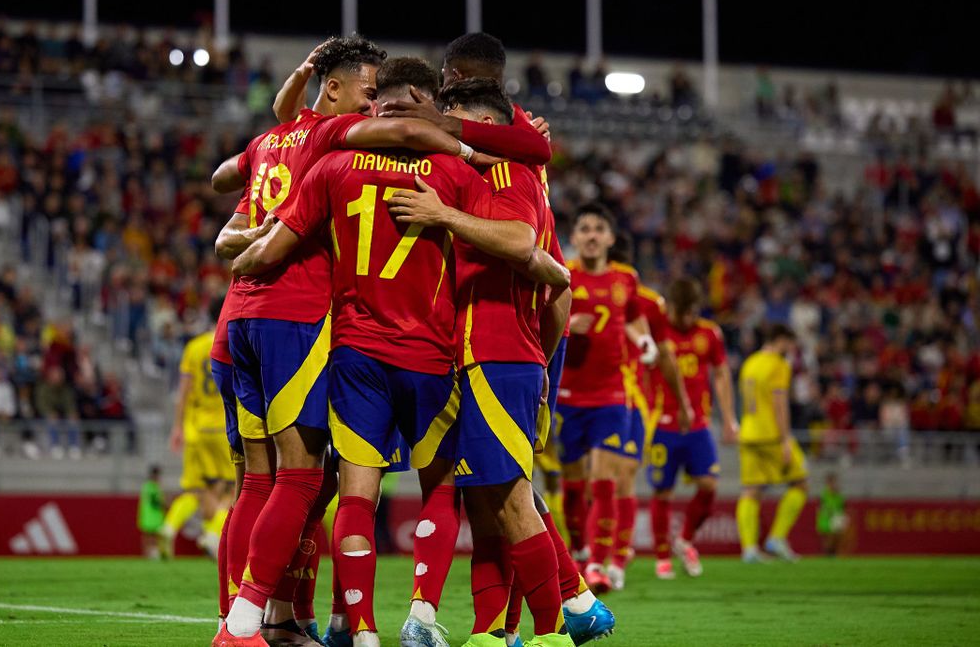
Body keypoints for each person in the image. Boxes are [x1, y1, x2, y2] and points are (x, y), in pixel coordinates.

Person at [234, 62, 575, 647]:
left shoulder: (330, 163)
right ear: (421, 96)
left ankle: (355, 628)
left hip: (353, 356)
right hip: (433, 355)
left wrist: (239, 257)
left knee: (350, 493)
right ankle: (429, 617)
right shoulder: (452, 169)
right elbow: (519, 233)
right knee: (444, 493)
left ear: (375, 104)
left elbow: (267, 247)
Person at [212, 36, 480, 647]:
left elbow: (221, 179)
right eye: (363, 91)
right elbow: (412, 140)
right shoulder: (337, 143)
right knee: (308, 480)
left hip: (245, 318)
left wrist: (241, 242)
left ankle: (289, 619)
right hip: (310, 321)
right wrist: (469, 144)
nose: (368, 107)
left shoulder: (279, 143)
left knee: (271, 482)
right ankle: (260, 622)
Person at [381, 78, 598, 647]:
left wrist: (441, 215)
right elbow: (559, 286)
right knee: (487, 505)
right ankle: (491, 632)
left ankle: (551, 631)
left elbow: (520, 239)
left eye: (453, 118)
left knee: (512, 501)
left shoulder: (508, 175)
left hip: (501, 357)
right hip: (486, 358)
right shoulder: (486, 179)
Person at [556, 202, 691, 594]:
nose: (592, 235)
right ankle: (581, 551)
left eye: (599, 228)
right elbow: (536, 319)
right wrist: (567, 323)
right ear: (576, 237)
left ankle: (600, 563)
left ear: (611, 238)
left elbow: (633, 318)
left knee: (607, 479)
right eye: (585, 228)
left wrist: (643, 339)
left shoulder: (626, 280)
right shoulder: (560, 274)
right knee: (573, 483)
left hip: (613, 396)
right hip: (567, 395)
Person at [647, 278, 738, 579]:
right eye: (681, 313)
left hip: (698, 424)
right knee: (662, 492)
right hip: (663, 424)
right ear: (670, 307)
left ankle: (684, 540)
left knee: (709, 485)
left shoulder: (709, 333)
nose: (686, 319)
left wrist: (728, 418)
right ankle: (662, 556)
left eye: (691, 312)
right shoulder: (657, 331)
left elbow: (722, 374)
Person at [164, 316, 234, 560]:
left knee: (203, 489)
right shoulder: (232, 341)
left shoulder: (193, 347)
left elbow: (183, 391)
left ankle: (171, 527)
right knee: (235, 489)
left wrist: (177, 427)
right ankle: (214, 535)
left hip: (196, 429)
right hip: (224, 428)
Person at [737, 324, 807, 563]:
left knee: (751, 490)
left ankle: (749, 550)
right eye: (789, 343)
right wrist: (786, 439)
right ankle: (776, 538)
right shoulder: (778, 365)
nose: (791, 348)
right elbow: (779, 403)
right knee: (800, 483)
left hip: (748, 432)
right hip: (771, 434)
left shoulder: (750, 363)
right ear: (780, 340)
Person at [139, 464, 167, 560]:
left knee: (155, 536)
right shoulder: (149, 486)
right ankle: (148, 554)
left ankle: (154, 553)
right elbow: (155, 501)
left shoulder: (155, 486)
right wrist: (164, 505)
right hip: (149, 514)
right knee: (149, 536)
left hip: (156, 515)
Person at [816, 473, 847, 556]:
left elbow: (843, 506)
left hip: (837, 517)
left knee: (838, 537)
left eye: (834, 482)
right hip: (826, 518)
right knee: (828, 538)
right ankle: (829, 554)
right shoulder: (824, 494)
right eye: (831, 482)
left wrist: (842, 516)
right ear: (828, 483)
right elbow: (822, 506)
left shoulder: (839, 494)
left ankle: (833, 554)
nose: (833, 484)